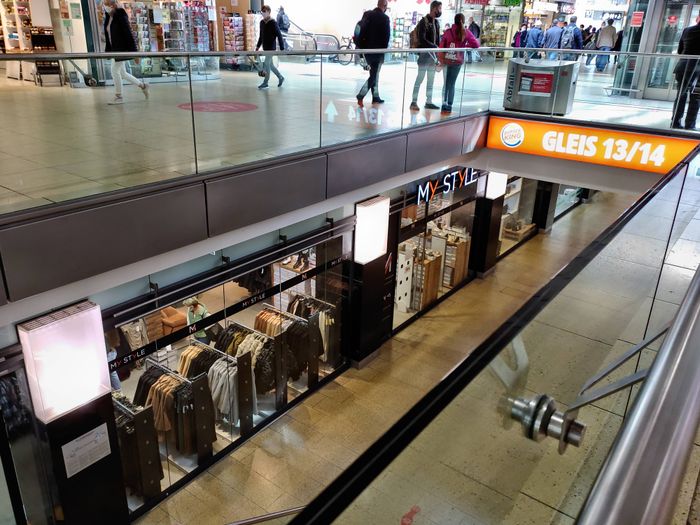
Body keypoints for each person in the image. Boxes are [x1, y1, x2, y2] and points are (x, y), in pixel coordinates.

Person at [103, 0, 148, 105]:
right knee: (122, 73)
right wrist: (108, 51)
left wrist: (135, 53)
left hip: (121, 49)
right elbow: (108, 36)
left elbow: (128, 33)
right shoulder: (108, 17)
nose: (105, 7)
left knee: (114, 70)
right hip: (114, 50)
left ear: (113, 5)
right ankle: (143, 86)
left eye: (106, 5)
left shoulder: (120, 14)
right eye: (104, 5)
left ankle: (119, 96)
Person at [439, 13, 479, 114]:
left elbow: (441, 46)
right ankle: (449, 105)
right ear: (463, 21)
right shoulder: (466, 32)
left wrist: (441, 60)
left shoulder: (448, 32)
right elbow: (476, 44)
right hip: (457, 61)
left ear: (454, 20)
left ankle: (443, 103)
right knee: (452, 84)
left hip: (447, 60)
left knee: (446, 83)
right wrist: (466, 44)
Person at [356, 0, 391, 107]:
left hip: (365, 51)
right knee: (374, 76)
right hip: (377, 53)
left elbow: (360, 31)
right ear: (384, 6)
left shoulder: (367, 14)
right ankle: (361, 95)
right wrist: (383, 51)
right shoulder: (385, 18)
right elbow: (386, 37)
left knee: (373, 75)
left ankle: (375, 96)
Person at [410, 0, 442, 111]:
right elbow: (422, 39)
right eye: (439, 8)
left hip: (433, 56)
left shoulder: (436, 23)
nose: (440, 11)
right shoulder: (424, 21)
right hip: (424, 56)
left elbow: (438, 40)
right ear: (434, 9)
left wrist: (438, 52)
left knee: (431, 80)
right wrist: (434, 47)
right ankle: (413, 102)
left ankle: (429, 101)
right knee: (420, 78)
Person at [672, 14, 700, 129]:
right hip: (698, 69)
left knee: (681, 95)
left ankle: (675, 123)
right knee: (696, 97)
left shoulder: (687, 30)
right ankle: (690, 125)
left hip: (683, 66)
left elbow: (680, 50)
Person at [255, 5, 285, 89]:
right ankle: (280, 77)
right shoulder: (261, 23)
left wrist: (282, 47)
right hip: (265, 47)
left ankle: (265, 82)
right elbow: (261, 36)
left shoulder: (273, 22)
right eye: (262, 11)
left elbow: (279, 35)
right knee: (271, 65)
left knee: (266, 64)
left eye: (264, 11)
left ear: (269, 12)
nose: (263, 13)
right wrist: (257, 46)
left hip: (271, 48)